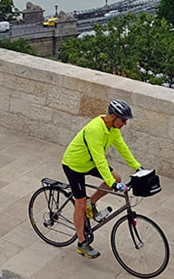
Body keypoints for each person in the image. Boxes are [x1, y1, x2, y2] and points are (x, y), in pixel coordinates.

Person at [61, 99, 142, 259]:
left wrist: (138, 168)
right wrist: (112, 184)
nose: (125, 123)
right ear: (113, 116)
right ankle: (82, 243)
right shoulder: (95, 130)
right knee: (80, 203)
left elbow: (123, 148)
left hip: (88, 162)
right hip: (74, 165)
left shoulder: (112, 128)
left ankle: (93, 202)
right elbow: (100, 159)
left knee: (117, 178)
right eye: (123, 120)